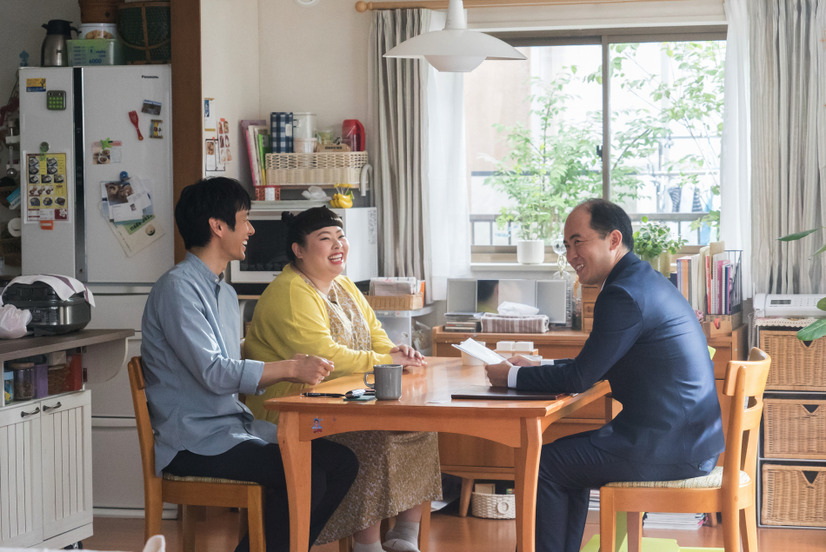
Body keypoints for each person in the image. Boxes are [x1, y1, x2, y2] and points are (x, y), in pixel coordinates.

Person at [485, 198, 724, 552]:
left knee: (548, 463)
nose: (570, 255)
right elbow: (596, 364)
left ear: (613, 240)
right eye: (565, 245)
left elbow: (580, 378)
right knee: (562, 461)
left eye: (578, 242)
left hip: (670, 445)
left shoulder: (622, 294)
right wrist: (539, 366)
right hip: (688, 438)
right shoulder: (643, 280)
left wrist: (510, 378)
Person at [141, 178, 358, 552]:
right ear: (217, 226)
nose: (251, 230)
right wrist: (290, 368)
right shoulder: (177, 288)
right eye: (245, 219)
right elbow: (214, 373)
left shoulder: (223, 292)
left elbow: (228, 361)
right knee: (304, 474)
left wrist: (274, 359)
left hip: (233, 428)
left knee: (342, 462)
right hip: (193, 442)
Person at [244, 206, 442, 552]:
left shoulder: (344, 285)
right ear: (299, 250)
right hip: (291, 410)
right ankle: (365, 544)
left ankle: (403, 534)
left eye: (341, 237)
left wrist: (400, 353)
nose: (338, 246)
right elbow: (326, 357)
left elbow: (376, 334)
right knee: (367, 438)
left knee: (421, 423)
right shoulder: (291, 292)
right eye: (325, 239)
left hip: (344, 399)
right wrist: (386, 360)